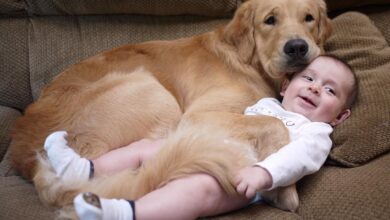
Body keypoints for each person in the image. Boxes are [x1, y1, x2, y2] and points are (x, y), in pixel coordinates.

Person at [44, 54, 358, 220]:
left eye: (330, 90)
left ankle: (127, 213)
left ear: (340, 116)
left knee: (196, 191)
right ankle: (85, 169)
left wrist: (264, 174)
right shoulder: (265, 106)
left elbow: (299, 159)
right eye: (309, 78)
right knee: (145, 148)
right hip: (198, 149)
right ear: (285, 86)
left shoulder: (316, 132)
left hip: (237, 178)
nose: (316, 88)